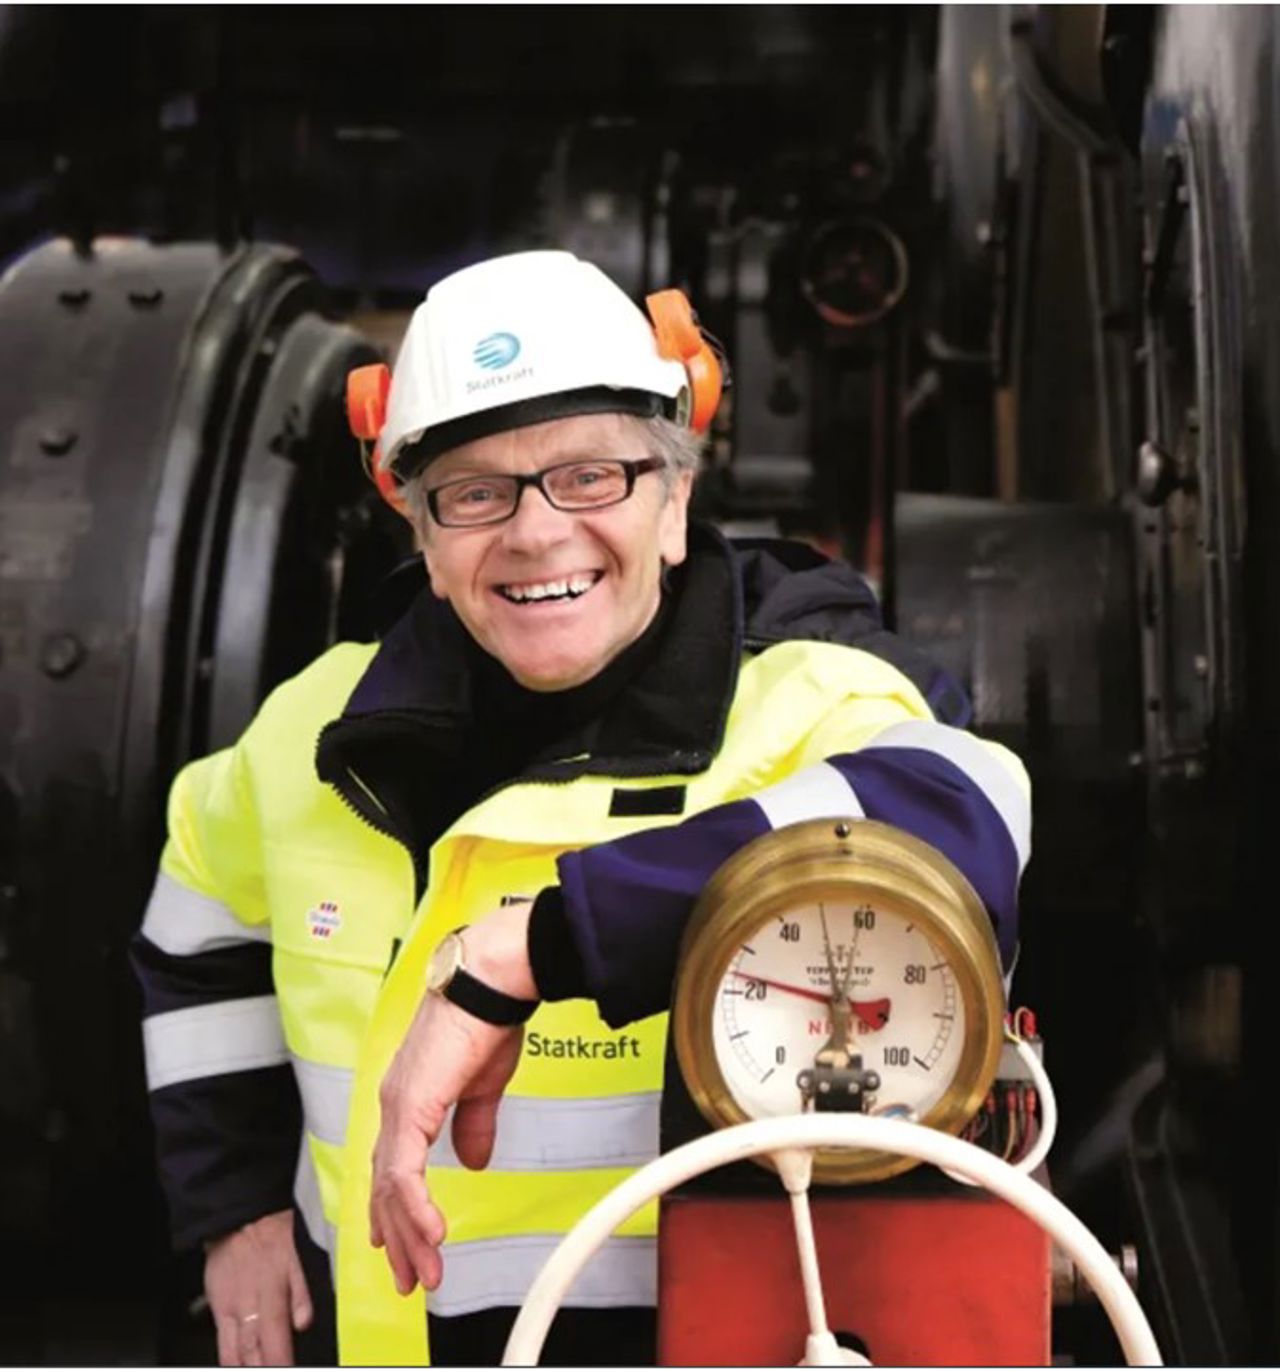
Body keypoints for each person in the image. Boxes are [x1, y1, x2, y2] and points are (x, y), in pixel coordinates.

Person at [132, 249, 1029, 1368]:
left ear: (674, 498)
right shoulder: (309, 738)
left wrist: (539, 943)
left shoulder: (805, 704)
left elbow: (971, 810)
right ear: (417, 527)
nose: (536, 531)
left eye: (590, 475)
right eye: (473, 490)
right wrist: (236, 1204)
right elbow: (197, 918)